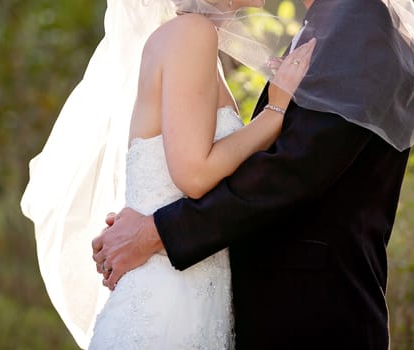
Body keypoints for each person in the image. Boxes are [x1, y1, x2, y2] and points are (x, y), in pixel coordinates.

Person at [92, 0, 414, 349]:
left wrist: (157, 232)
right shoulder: (199, 36)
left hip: (314, 313)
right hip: (212, 304)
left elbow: (297, 168)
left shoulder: (357, 16)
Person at [21, 0, 315, 349]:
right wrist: (275, 112)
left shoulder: (191, 38)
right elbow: (193, 174)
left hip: (188, 298)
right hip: (164, 309)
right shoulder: (192, 34)